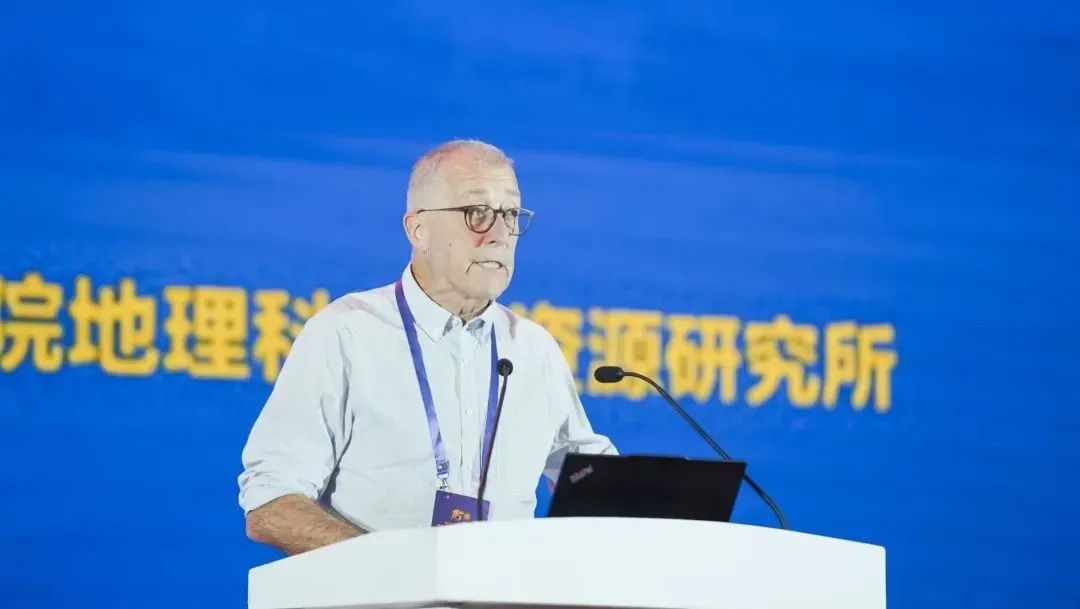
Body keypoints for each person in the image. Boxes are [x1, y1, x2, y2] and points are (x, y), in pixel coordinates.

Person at [237, 139, 617, 556]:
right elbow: (271, 503)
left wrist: (653, 498)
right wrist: (390, 569)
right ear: (418, 230)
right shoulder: (346, 334)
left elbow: (590, 480)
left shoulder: (532, 349)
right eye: (477, 213)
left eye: (510, 214)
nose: (499, 235)